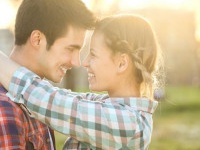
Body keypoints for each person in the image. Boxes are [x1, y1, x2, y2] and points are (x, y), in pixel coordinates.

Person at [0, 14, 163, 149]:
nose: (84, 62)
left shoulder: (127, 123)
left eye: (93, 54)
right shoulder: (110, 107)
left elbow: (49, 102)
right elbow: (59, 97)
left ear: (121, 63)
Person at [0, 0, 95, 149]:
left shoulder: (41, 101)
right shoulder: (5, 107)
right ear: (37, 39)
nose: (76, 62)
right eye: (70, 49)